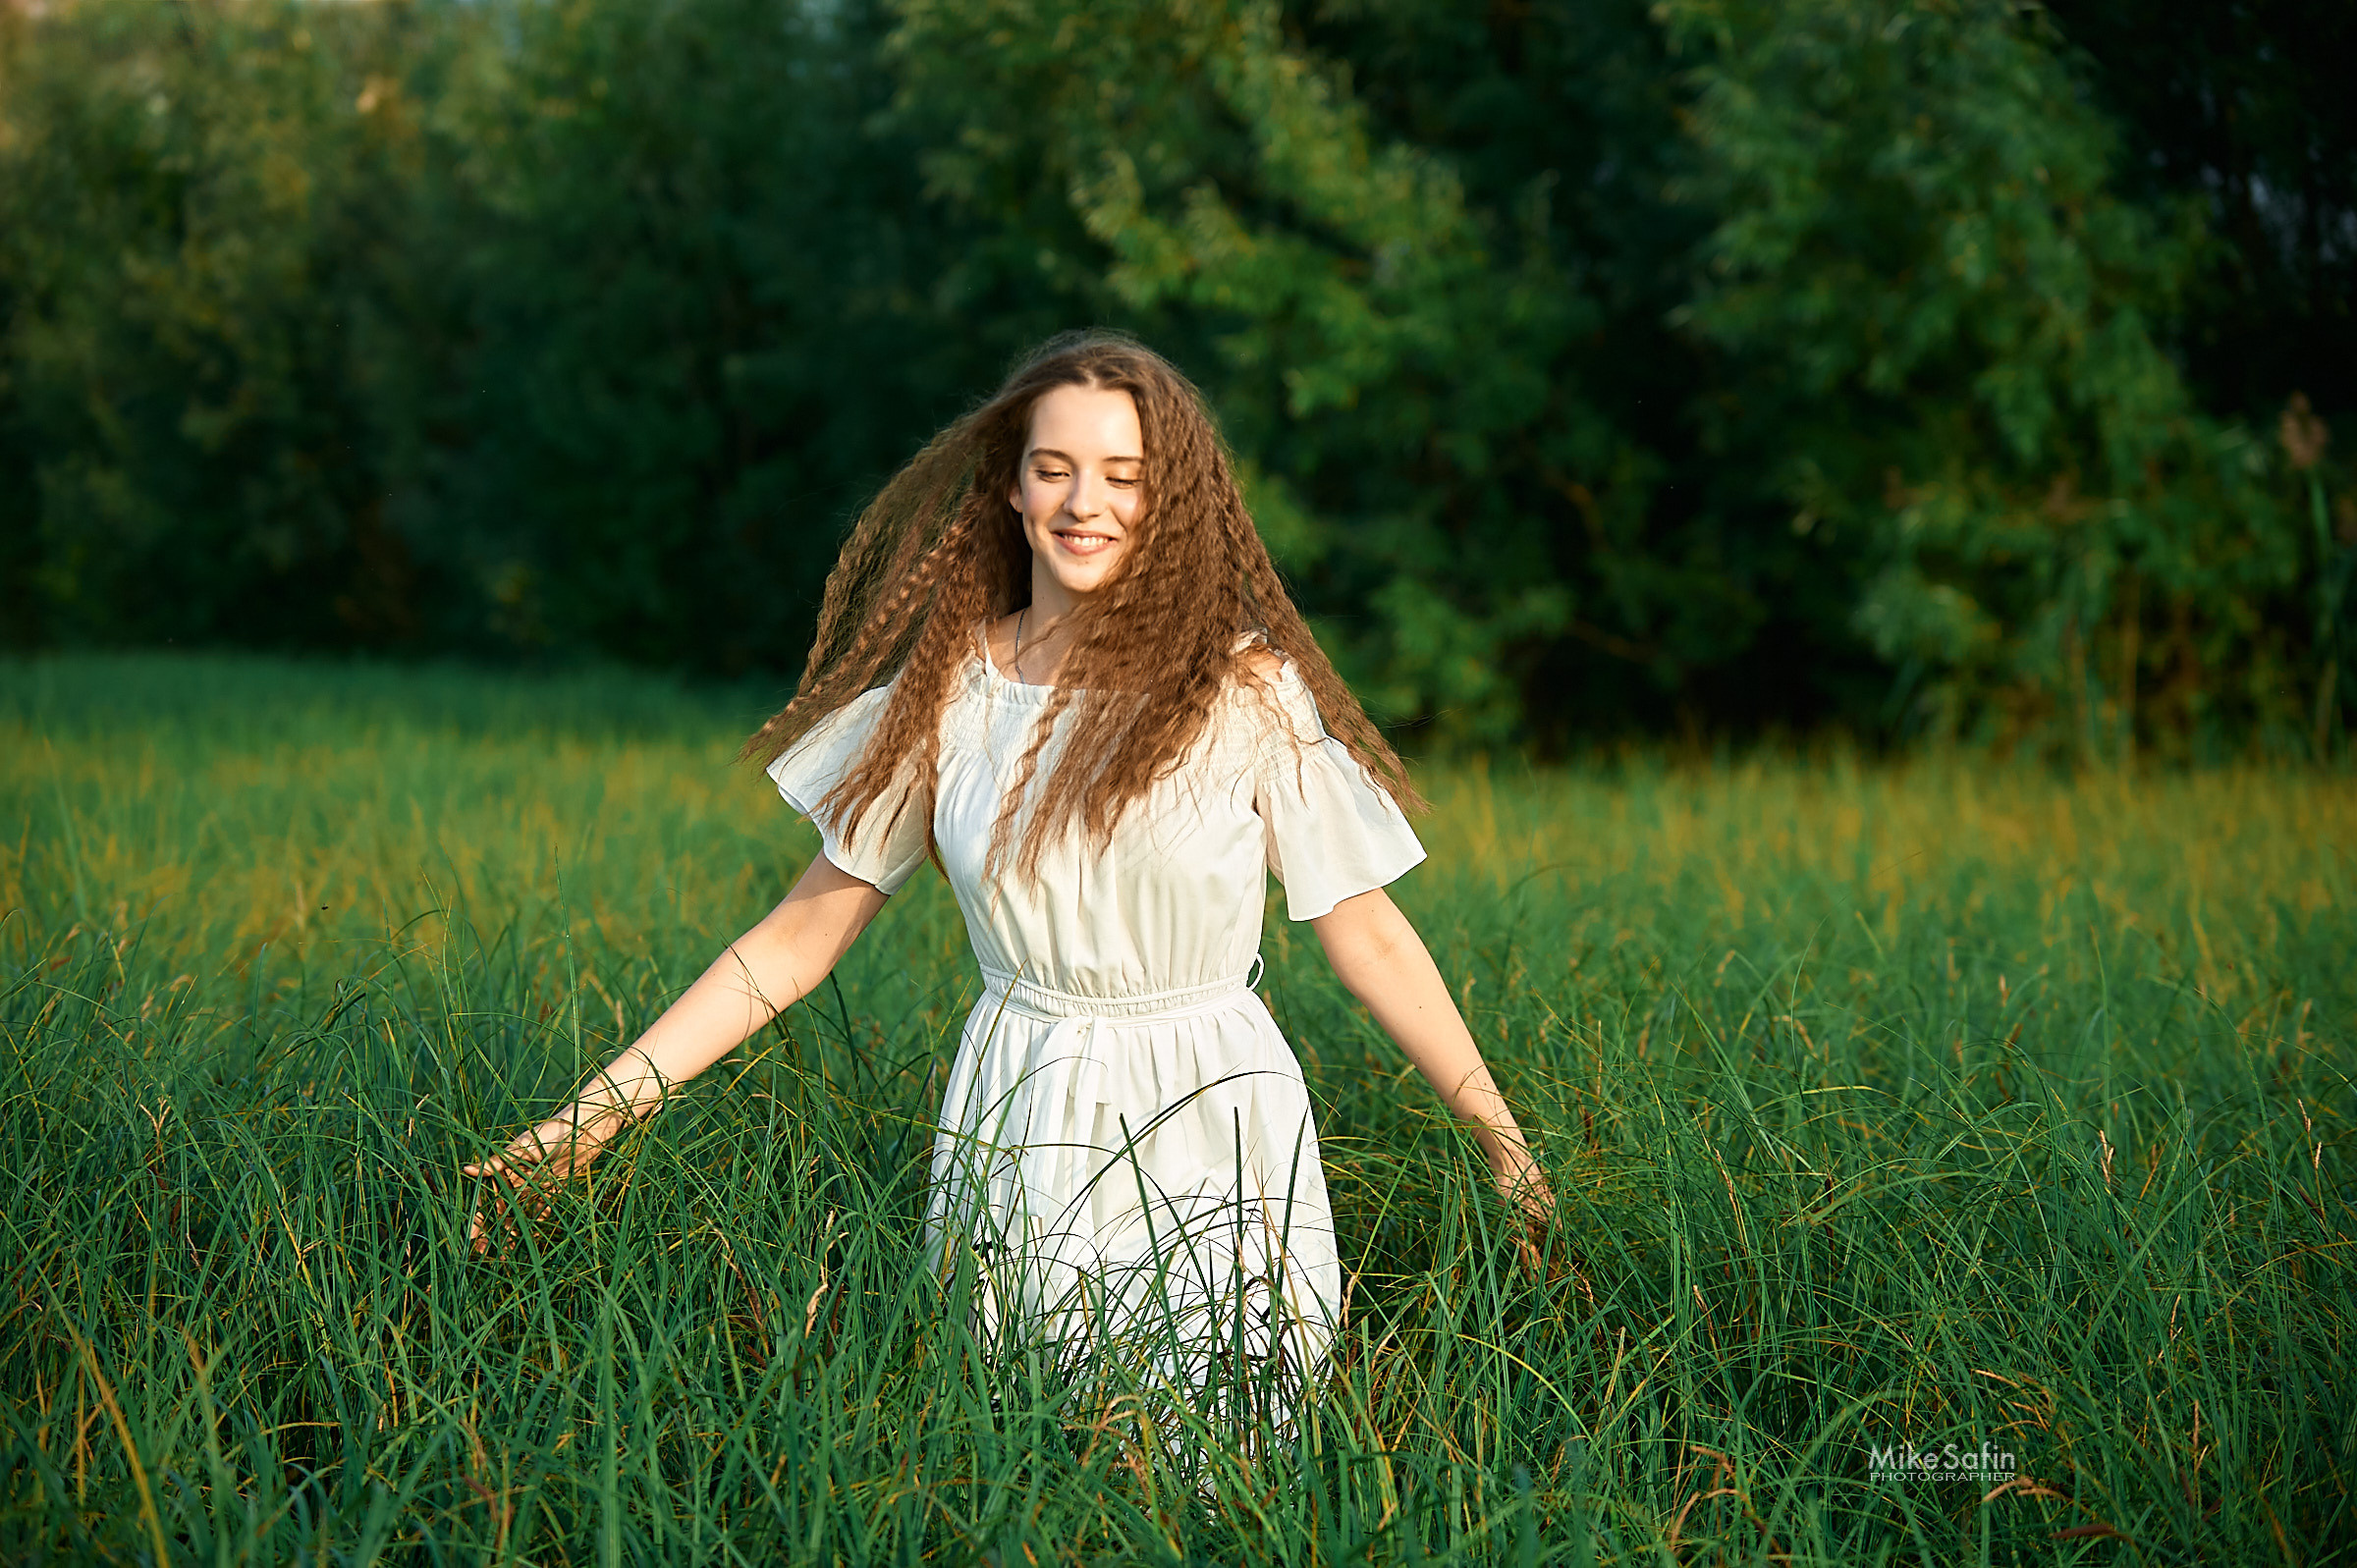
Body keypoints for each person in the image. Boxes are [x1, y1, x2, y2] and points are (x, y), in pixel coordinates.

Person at [466, 330, 1552, 1436]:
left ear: (1171, 498)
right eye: (1055, 467)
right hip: (1022, 1101)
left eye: (1126, 475)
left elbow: (1365, 932)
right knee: (1034, 1446)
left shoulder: (1244, 690)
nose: (1088, 501)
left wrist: (1503, 1143)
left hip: (1216, 1105)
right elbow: (796, 941)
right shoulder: (950, 691)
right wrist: (586, 1119)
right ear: (1014, 488)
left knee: (1224, 1446)